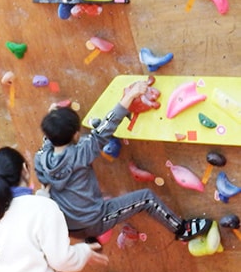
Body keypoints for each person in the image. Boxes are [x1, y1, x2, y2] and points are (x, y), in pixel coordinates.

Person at [34, 79, 211, 242]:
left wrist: (54, 120)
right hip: (94, 221)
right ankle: (182, 230)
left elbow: (48, 142)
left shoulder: (40, 158)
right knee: (147, 199)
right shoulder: (82, 151)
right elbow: (106, 126)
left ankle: (87, 230)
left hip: (67, 225)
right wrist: (130, 95)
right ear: (75, 134)